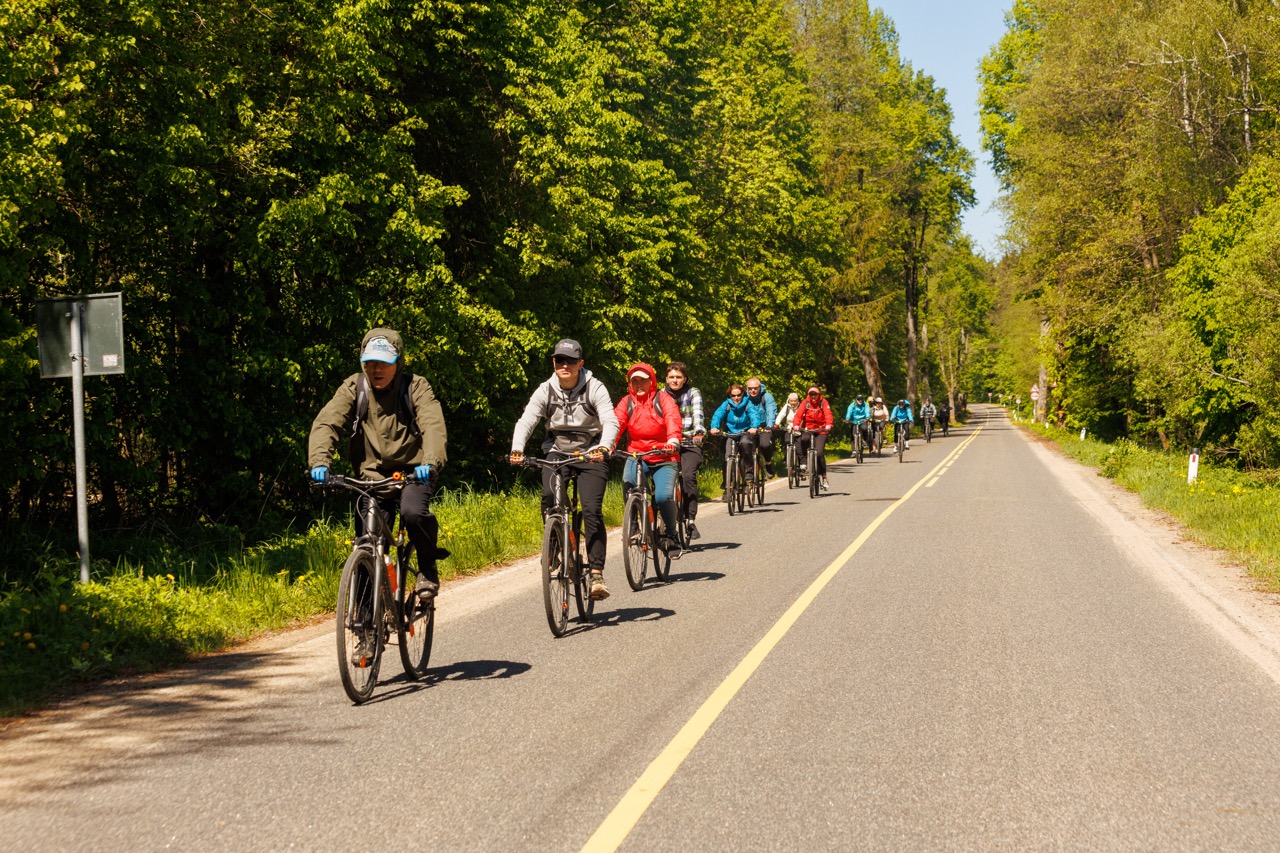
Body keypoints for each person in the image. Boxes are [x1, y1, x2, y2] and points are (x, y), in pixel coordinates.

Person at [309, 328, 448, 604]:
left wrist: (430, 462)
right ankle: (363, 621)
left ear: (398, 362)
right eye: (371, 362)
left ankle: (427, 567)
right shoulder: (355, 387)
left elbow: (433, 425)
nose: (377, 369)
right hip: (371, 478)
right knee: (367, 542)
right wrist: (319, 462)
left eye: (384, 362)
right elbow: (328, 423)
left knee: (412, 513)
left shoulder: (415, 387)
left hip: (413, 472)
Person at [509, 339, 619, 600]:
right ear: (554, 363)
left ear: (581, 363)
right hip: (557, 451)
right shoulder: (545, 390)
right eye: (560, 360)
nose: (564, 365)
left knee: (592, 510)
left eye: (570, 361)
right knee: (549, 499)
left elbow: (610, 419)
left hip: (590, 452)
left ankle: (596, 574)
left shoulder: (595, 387)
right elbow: (527, 420)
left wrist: (604, 446)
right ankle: (555, 547)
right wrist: (517, 448)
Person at [615, 363, 683, 555]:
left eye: (643, 381)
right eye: (634, 381)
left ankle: (671, 535)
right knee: (628, 483)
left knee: (663, 496)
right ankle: (634, 524)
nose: (639, 385)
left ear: (651, 381)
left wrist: (672, 440)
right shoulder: (626, 402)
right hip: (637, 454)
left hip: (664, 454)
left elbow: (672, 418)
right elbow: (617, 423)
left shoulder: (663, 399)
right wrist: (608, 445)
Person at [665, 362, 705, 541]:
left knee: (688, 475)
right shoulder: (660, 394)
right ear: (666, 379)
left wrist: (698, 432)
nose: (675, 380)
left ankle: (690, 520)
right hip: (667, 443)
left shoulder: (693, 392)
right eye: (671, 377)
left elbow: (698, 414)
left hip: (689, 441)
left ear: (685, 379)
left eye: (678, 377)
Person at [709, 383, 761, 480]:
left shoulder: (748, 403)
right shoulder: (726, 404)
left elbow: (754, 415)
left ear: (743, 394)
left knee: (745, 443)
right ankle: (729, 482)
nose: (736, 398)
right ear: (730, 395)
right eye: (733, 395)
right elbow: (718, 415)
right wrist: (714, 427)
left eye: (738, 395)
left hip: (745, 432)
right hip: (730, 433)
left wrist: (754, 427)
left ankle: (748, 471)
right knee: (727, 455)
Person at [791, 386, 834, 490]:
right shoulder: (805, 402)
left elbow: (828, 414)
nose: (813, 396)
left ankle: (824, 476)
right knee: (804, 439)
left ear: (819, 394)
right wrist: (796, 425)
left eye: (815, 394)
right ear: (809, 395)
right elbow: (798, 415)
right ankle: (805, 460)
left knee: (819, 452)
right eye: (811, 394)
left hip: (821, 430)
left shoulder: (823, 402)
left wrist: (828, 425)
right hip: (808, 428)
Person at [744, 378, 778, 477]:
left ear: (760, 387)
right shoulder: (745, 397)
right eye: (750, 389)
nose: (752, 391)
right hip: (749, 427)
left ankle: (768, 463)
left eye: (755, 388)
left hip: (764, 426)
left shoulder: (766, 396)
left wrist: (769, 426)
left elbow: (771, 411)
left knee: (765, 445)